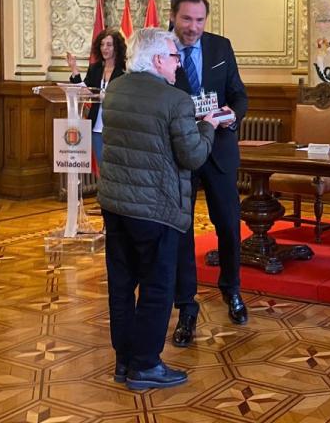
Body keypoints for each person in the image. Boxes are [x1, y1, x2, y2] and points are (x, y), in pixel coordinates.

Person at [98, 28, 220, 390]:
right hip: (156, 208)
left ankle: (124, 361)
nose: (178, 64)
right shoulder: (176, 100)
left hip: (116, 205)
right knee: (156, 287)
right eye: (173, 57)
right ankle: (146, 365)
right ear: (156, 60)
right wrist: (209, 127)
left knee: (121, 285)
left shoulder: (116, 89)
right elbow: (193, 155)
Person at [168, 0, 250, 347]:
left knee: (229, 226)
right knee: (181, 233)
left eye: (200, 20)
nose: (193, 27)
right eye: (187, 19)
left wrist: (233, 115)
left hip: (219, 150)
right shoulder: (161, 49)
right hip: (180, 153)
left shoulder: (220, 47)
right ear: (173, 16)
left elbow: (239, 95)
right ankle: (186, 306)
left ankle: (232, 290)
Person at [67, 27, 127, 165]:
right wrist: (74, 69)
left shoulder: (125, 70)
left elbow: (126, 98)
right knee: (102, 166)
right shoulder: (95, 68)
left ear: (117, 47)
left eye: (109, 45)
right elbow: (85, 90)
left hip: (115, 127)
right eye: (102, 44)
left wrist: (107, 97)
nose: (104, 48)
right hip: (96, 127)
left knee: (115, 167)